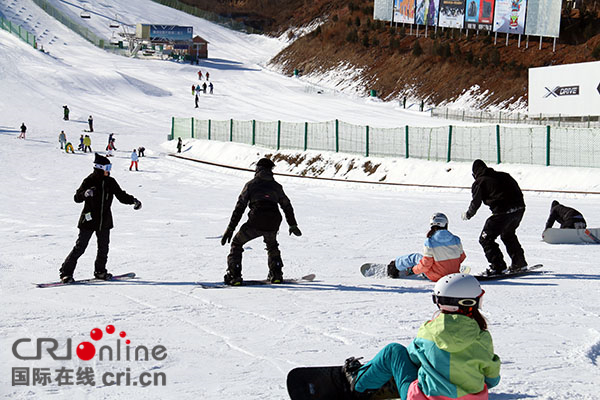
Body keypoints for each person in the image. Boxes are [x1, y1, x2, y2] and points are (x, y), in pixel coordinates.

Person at [344, 273, 501, 400]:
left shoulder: (429, 331)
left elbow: (412, 357)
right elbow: (492, 380)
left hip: (423, 397)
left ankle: (358, 383)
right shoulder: (482, 337)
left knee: (393, 351)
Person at [59, 153, 142, 283]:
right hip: (89, 220)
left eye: (109, 168)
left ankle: (100, 271)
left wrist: (133, 201)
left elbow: (121, 195)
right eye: (107, 168)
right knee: (80, 247)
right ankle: (66, 273)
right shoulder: (89, 180)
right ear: (99, 168)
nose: (109, 171)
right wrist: (85, 194)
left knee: (103, 248)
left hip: (105, 221)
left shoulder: (110, 182)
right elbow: (77, 198)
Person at [220, 157, 302, 285]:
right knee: (272, 245)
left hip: (256, 221)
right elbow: (287, 205)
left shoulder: (251, 185)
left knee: (236, 243)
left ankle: (234, 275)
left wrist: (230, 228)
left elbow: (239, 207)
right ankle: (276, 274)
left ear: (258, 169)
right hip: (273, 221)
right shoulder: (276, 186)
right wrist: (292, 224)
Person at [462, 159, 527, 276]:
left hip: (502, 212)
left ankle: (498, 267)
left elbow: (476, 202)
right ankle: (519, 263)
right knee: (508, 234)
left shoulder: (479, 182)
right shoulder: (503, 175)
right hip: (519, 209)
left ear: (474, 174)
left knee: (486, 239)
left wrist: (468, 214)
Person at [386, 213, 466, 282]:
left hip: (436, 276)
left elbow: (425, 265)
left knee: (415, 257)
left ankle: (394, 266)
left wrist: (413, 270)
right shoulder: (456, 239)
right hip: (453, 275)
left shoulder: (430, 242)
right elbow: (462, 257)